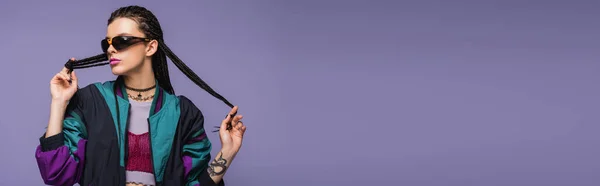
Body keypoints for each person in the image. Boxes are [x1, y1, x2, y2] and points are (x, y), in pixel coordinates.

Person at [34, 5, 247, 186]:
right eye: (106, 43)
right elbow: (56, 172)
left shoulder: (184, 113)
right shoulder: (90, 101)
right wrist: (59, 102)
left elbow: (196, 182)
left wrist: (227, 152)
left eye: (121, 41)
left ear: (151, 46)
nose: (110, 50)